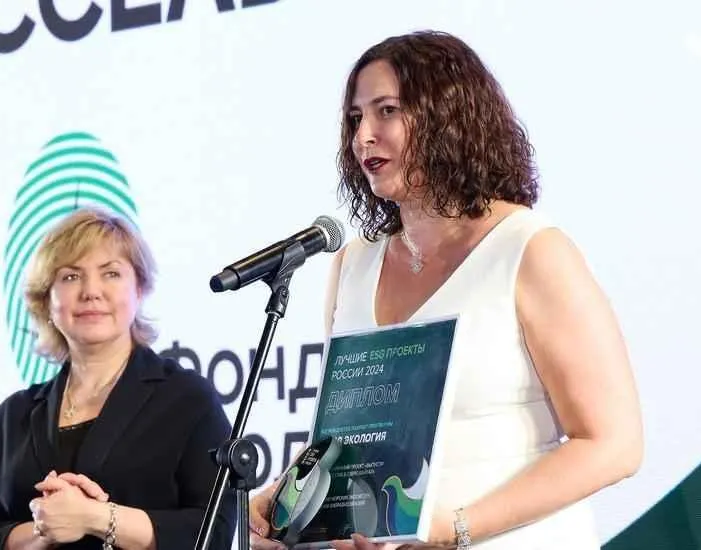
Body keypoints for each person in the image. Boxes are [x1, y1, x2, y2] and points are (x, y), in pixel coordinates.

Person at [248, 30, 643, 549]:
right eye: (355, 118)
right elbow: (348, 440)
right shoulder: (352, 264)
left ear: (448, 116)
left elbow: (613, 444)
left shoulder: (530, 250)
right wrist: (279, 501)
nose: (364, 136)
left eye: (387, 111)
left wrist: (454, 529)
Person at [0, 207, 235, 550]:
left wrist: (95, 518)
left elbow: (216, 531)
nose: (91, 291)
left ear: (139, 289)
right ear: (46, 300)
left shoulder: (187, 400)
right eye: (71, 277)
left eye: (111, 273)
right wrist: (42, 531)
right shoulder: (10, 419)